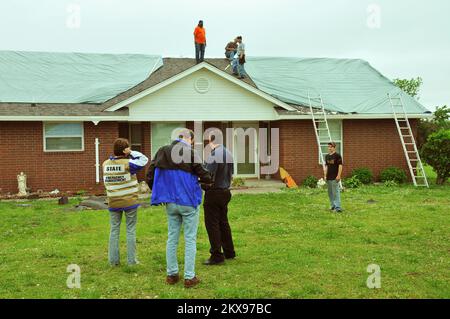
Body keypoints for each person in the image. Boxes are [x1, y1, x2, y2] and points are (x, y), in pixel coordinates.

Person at [147, 129, 212, 288]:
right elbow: (204, 174)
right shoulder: (190, 152)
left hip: (170, 201)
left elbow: (149, 175)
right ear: (188, 139)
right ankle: (189, 277)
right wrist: (206, 181)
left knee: (172, 238)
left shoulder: (162, 151)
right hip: (188, 201)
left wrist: (159, 192)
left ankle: (172, 275)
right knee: (190, 239)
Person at [103, 138, 149, 266]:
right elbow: (144, 160)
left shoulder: (105, 164)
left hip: (113, 201)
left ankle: (113, 261)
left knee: (114, 230)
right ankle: (131, 261)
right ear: (125, 150)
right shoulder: (129, 163)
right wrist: (131, 152)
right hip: (129, 201)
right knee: (130, 230)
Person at [202, 130, 236, 265]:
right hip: (225, 191)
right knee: (223, 223)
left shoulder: (215, 154)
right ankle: (229, 252)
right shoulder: (228, 153)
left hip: (214, 193)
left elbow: (206, 174)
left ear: (211, 141)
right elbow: (231, 173)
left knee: (212, 224)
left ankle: (216, 255)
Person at [324, 142, 343, 213]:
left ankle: (338, 208)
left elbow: (340, 166)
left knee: (336, 192)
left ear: (334, 147)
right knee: (330, 193)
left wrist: (338, 175)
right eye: (328, 147)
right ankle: (333, 206)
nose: (329, 148)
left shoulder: (337, 156)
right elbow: (326, 166)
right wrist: (325, 175)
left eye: (331, 147)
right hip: (329, 177)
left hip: (335, 177)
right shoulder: (327, 156)